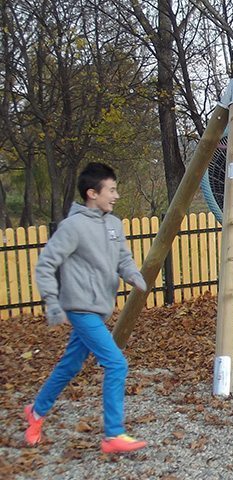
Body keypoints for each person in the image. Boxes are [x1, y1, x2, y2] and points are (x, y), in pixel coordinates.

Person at [24, 162, 148, 454]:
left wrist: (133, 275)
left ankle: (36, 412)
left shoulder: (114, 224)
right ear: (92, 193)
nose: (116, 196)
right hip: (80, 308)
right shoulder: (73, 227)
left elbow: (122, 258)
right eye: (111, 190)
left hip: (99, 307)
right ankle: (113, 434)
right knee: (116, 363)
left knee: (69, 366)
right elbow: (46, 265)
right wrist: (53, 303)